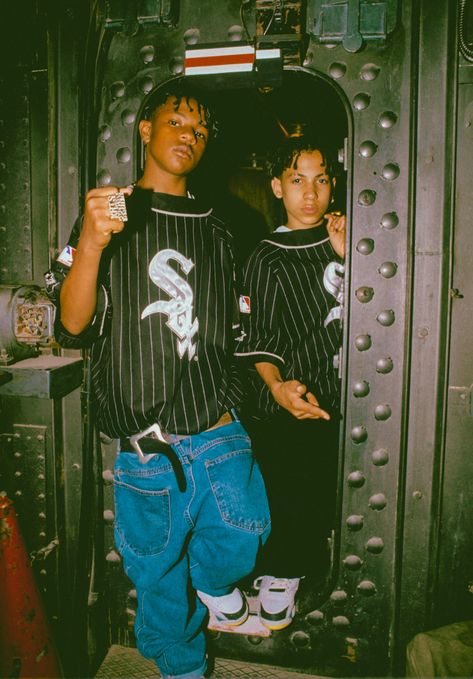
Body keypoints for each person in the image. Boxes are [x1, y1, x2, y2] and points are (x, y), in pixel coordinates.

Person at [45, 81, 270, 679]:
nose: (189, 137)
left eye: (200, 131)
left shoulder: (224, 227)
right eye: (177, 123)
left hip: (217, 429)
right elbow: (72, 325)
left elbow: (235, 330)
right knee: (158, 580)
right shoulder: (108, 213)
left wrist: (271, 384)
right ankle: (180, 664)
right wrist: (91, 241)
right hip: (147, 449)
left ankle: (208, 590)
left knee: (246, 534)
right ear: (146, 129)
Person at [236, 136, 345, 631]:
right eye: (298, 180)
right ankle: (280, 572)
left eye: (320, 180)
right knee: (287, 484)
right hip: (290, 396)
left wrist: (350, 254)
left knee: (321, 489)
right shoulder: (267, 255)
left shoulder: (350, 239)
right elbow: (257, 338)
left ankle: (290, 565)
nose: (310, 193)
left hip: (343, 392)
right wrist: (279, 388)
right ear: (277, 187)